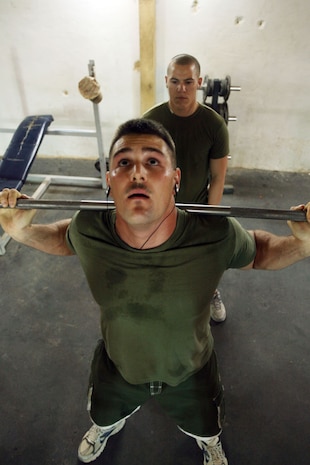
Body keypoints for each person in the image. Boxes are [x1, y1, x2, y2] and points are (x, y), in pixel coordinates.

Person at [0, 118, 309, 465]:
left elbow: (261, 250)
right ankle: (107, 427)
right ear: (109, 180)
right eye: (123, 163)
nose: (137, 173)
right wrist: (21, 232)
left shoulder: (214, 234)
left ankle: (208, 441)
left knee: (206, 426)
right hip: (119, 365)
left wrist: (303, 244)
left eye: (153, 162)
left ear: (176, 179)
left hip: (190, 368)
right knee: (103, 415)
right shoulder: (89, 227)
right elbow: (62, 237)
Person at [143, 53, 229, 323]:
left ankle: (210, 292)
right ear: (166, 81)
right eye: (175, 82)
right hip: (160, 207)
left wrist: (210, 216)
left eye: (189, 82)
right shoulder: (150, 122)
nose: (182, 89)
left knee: (203, 259)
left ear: (199, 82)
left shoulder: (214, 125)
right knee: (157, 259)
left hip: (198, 204)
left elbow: (217, 177)